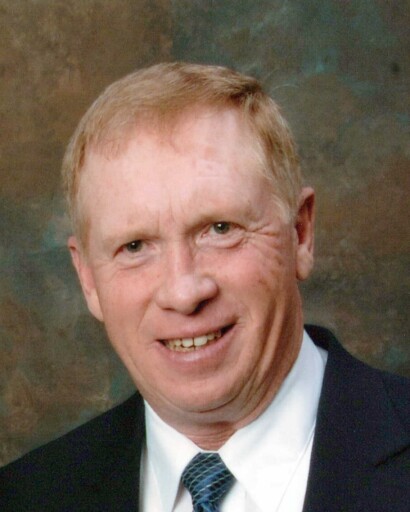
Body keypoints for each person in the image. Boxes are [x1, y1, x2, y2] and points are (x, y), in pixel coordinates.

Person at [0, 62, 408, 511]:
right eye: (134, 246)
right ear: (88, 279)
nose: (183, 292)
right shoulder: (24, 497)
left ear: (300, 233)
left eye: (220, 228)